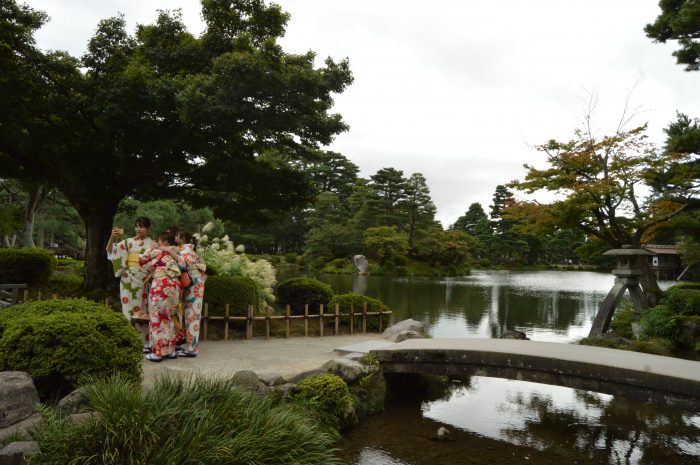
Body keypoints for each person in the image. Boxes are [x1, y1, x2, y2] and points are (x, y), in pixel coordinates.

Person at [139, 231, 185, 362]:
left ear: (165, 242)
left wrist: (150, 248)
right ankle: (170, 350)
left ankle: (158, 352)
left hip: (161, 285)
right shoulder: (177, 252)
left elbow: (141, 260)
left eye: (158, 242)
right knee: (169, 317)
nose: (157, 243)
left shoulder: (159, 251)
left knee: (156, 317)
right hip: (174, 286)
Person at [106, 217, 153, 321]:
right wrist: (112, 237)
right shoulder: (128, 242)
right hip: (128, 279)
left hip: (145, 279)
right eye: (136, 226)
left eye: (141, 227)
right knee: (128, 310)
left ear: (148, 228)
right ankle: (129, 333)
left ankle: (142, 336)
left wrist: (151, 274)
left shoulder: (153, 244)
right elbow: (111, 252)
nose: (138, 229)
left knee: (144, 309)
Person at [175, 230, 207, 357]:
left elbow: (182, 266)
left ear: (182, 239)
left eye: (177, 236)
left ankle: (192, 348)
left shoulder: (184, 252)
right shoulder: (191, 251)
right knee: (191, 315)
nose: (175, 238)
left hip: (194, 285)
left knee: (192, 316)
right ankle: (190, 344)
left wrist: (173, 253)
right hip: (196, 283)